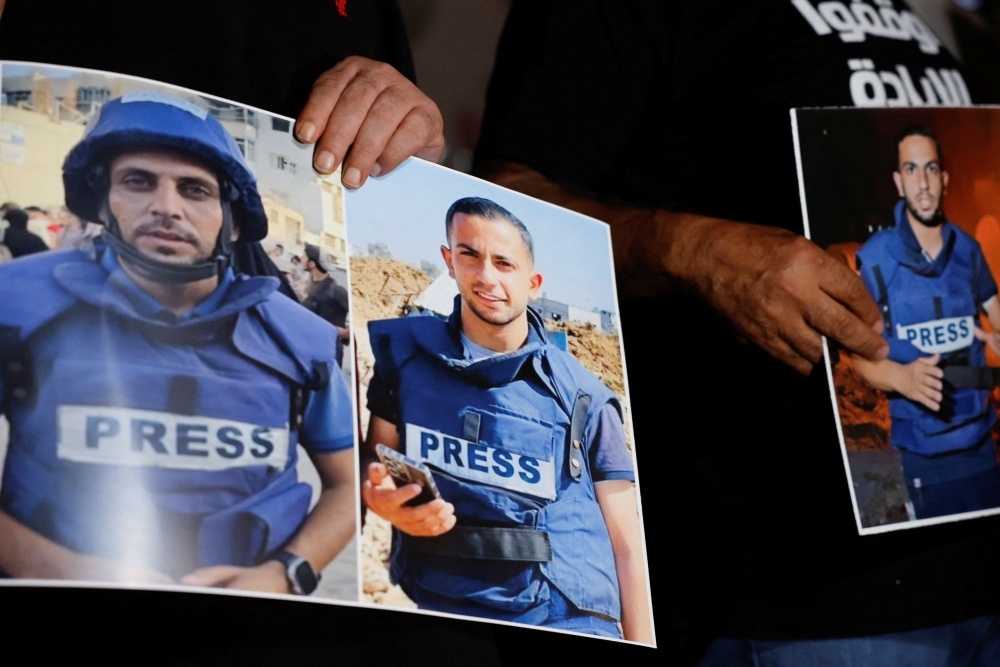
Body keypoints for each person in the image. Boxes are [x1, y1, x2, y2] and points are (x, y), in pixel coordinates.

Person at [475, 0, 1000, 663]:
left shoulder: (911, 13)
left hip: (968, 545)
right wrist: (686, 249)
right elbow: (498, 207)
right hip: (799, 590)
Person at [0, 94, 356, 596]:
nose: (166, 207)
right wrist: (50, 567)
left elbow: (346, 486)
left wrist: (283, 575)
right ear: (104, 202)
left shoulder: (303, 341)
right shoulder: (14, 305)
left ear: (231, 221)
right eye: (138, 181)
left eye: (194, 189)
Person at [361, 197, 652, 642]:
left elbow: (629, 547)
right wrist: (384, 501)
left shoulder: (586, 397)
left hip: (564, 618)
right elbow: (375, 460)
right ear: (448, 260)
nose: (487, 277)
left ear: (533, 282)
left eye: (504, 263)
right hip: (438, 599)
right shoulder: (403, 358)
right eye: (469, 255)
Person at [852, 126, 1000, 519]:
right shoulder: (875, 260)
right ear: (899, 182)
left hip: (982, 443)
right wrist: (902, 379)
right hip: (923, 457)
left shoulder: (968, 250)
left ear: (944, 180)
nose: (923, 182)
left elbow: (995, 311)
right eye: (912, 169)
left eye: (931, 169)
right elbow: (859, 358)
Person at [301, 243, 351, 365]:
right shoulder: (308, 286)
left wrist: (344, 333)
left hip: (328, 353)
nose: (301, 258)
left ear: (312, 264)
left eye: (304, 256)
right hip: (307, 348)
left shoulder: (335, 291)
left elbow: (357, 319)